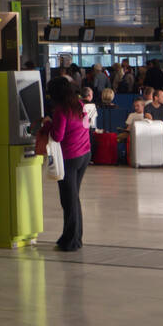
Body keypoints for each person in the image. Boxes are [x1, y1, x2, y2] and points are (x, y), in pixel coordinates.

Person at [43, 75, 90, 252]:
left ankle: (70, 241)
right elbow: (86, 126)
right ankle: (75, 237)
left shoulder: (61, 111)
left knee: (68, 200)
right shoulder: (80, 105)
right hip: (84, 154)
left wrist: (47, 124)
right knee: (74, 198)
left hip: (70, 157)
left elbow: (57, 136)